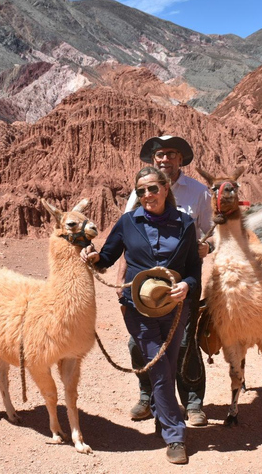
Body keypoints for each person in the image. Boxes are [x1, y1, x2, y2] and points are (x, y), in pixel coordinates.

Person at [82, 166, 202, 464]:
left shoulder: (185, 224)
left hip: (174, 308)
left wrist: (187, 286)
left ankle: (163, 417)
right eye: (141, 190)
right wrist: (94, 256)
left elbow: (194, 270)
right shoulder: (128, 222)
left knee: (169, 366)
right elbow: (107, 257)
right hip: (138, 307)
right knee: (159, 367)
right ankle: (175, 435)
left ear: (165, 189)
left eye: (153, 188)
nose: (147, 195)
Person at [119, 135, 212, 426]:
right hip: (143, 286)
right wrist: (122, 282)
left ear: (181, 159)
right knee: (141, 342)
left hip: (182, 283)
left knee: (184, 341)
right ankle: (148, 395)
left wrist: (207, 247)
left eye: (171, 154)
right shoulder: (139, 193)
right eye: (160, 154)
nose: (164, 159)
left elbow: (211, 233)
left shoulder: (198, 193)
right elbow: (126, 238)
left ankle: (193, 403)